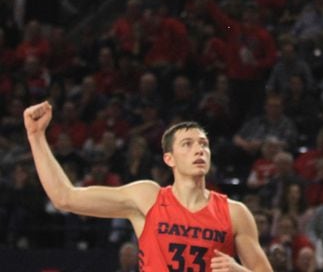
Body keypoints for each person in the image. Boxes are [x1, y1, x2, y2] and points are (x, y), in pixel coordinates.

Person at [23, 101, 271, 271]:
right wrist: (36, 137)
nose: (199, 149)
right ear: (169, 159)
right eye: (187, 144)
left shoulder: (235, 213)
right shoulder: (147, 198)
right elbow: (65, 197)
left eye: (203, 144)